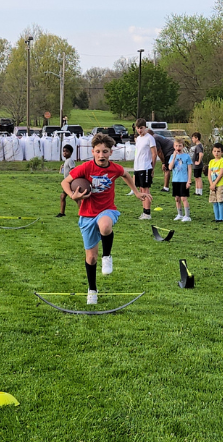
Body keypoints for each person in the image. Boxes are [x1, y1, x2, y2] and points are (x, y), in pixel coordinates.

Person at [62, 134, 149, 305]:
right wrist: (73, 195)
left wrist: (137, 192)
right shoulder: (85, 168)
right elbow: (65, 182)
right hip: (86, 214)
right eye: (98, 152)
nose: (101, 155)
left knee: (105, 226)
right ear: (93, 152)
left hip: (107, 210)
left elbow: (126, 174)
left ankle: (107, 256)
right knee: (91, 258)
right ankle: (92, 290)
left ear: (111, 152)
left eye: (105, 152)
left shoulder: (115, 168)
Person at [132, 119, 156, 219]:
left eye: (141, 128)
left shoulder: (149, 138)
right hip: (138, 167)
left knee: (145, 190)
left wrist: (152, 168)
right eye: (138, 128)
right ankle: (144, 211)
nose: (139, 130)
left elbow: (154, 153)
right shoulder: (138, 139)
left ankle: (147, 213)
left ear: (145, 127)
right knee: (141, 189)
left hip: (145, 167)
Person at [168, 139, 193, 221]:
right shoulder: (172, 156)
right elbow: (170, 168)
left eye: (180, 146)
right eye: (176, 146)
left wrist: (189, 181)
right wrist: (174, 157)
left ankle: (187, 216)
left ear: (183, 146)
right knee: (177, 198)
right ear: (174, 146)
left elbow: (189, 169)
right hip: (175, 180)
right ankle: (180, 214)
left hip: (183, 180)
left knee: (183, 198)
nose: (178, 147)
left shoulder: (186, 156)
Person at [208, 143, 223, 222]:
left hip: (220, 184)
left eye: (218, 151)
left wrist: (215, 183)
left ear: (222, 152)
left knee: (220, 201)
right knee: (214, 201)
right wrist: (211, 184)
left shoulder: (222, 161)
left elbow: (221, 174)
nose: (216, 153)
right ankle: (216, 218)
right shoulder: (211, 162)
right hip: (213, 185)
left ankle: (221, 218)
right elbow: (209, 174)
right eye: (215, 151)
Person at [56, 144, 76, 217]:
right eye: (64, 151)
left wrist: (70, 180)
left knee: (75, 198)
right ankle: (62, 213)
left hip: (70, 182)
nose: (64, 153)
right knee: (63, 197)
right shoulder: (66, 161)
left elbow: (73, 170)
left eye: (66, 151)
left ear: (70, 153)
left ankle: (84, 212)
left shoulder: (70, 160)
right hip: (67, 182)